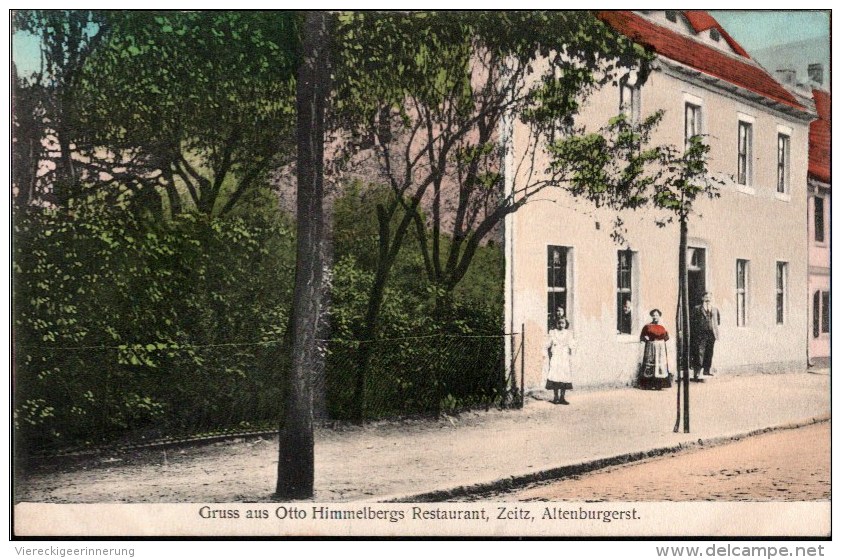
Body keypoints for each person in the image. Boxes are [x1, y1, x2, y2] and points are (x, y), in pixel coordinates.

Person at [543, 316, 576, 405]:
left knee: (564, 377)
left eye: (563, 323)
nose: (561, 325)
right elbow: (547, 344)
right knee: (555, 376)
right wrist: (545, 352)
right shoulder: (553, 333)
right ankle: (555, 397)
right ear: (556, 324)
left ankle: (562, 397)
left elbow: (572, 344)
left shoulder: (569, 334)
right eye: (559, 323)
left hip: (564, 357)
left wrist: (572, 349)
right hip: (556, 357)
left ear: (566, 324)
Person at [638, 309, 671, 390]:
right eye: (654, 315)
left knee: (660, 364)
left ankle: (659, 385)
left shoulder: (662, 327)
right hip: (650, 347)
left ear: (659, 316)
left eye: (657, 315)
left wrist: (661, 341)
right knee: (651, 363)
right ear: (651, 316)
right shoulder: (647, 326)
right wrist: (645, 338)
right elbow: (642, 336)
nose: (655, 317)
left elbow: (667, 337)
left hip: (660, 348)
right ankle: (649, 384)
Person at [690, 292, 720, 382]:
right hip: (700, 334)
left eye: (709, 297)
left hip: (711, 334)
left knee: (709, 352)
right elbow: (692, 321)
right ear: (702, 298)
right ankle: (697, 372)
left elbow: (717, 321)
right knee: (699, 352)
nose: (708, 299)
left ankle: (706, 370)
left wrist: (714, 330)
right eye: (706, 297)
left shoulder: (714, 309)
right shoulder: (697, 309)